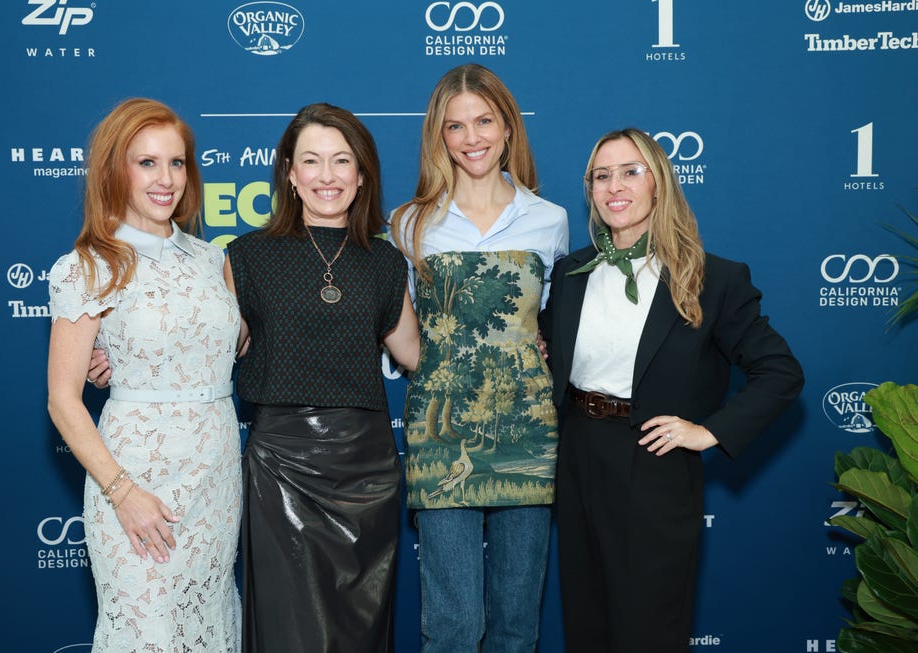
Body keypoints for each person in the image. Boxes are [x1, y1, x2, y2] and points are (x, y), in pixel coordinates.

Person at [540, 127, 804, 652]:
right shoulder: (570, 271)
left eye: (631, 172)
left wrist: (709, 431)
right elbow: (553, 352)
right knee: (586, 627)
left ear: (658, 183)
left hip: (653, 463)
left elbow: (781, 372)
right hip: (576, 458)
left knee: (649, 630)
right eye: (601, 175)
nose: (615, 186)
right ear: (589, 190)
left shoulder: (713, 279)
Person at [46, 98, 241, 651]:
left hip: (217, 476)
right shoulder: (87, 265)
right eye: (147, 163)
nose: (166, 179)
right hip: (134, 476)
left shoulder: (210, 259)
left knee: (211, 624)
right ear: (115, 169)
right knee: (146, 630)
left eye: (177, 163)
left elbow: (229, 347)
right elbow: (63, 400)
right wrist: (122, 492)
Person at [225, 102, 419, 652]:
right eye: (311, 161)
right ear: (289, 172)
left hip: (367, 468)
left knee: (359, 628)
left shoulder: (383, 262)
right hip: (282, 462)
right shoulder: (247, 256)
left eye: (341, 161)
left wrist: (522, 337)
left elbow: (414, 354)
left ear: (362, 173)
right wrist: (122, 359)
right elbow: (216, 346)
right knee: (293, 629)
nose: (327, 176)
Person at [390, 63, 569, 653]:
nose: (471, 138)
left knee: (517, 624)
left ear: (508, 127)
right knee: (453, 625)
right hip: (441, 437)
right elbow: (402, 333)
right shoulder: (410, 224)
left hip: (527, 431)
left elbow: (548, 323)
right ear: (438, 137)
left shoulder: (550, 220)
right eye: (455, 126)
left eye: (484, 121)